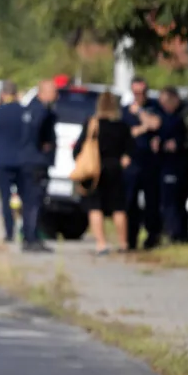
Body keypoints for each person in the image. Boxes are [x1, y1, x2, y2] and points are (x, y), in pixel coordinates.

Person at [73, 91, 132, 254]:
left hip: (95, 170)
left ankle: (101, 243)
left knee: (95, 207)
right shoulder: (122, 126)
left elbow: (78, 148)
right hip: (115, 170)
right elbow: (130, 149)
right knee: (118, 208)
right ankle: (123, 243)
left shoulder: (92, 123)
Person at [123, 76, 164, 249]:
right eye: (136, 92)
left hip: (151, 162)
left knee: (152, 202)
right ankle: (130, 238)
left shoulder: (154, 106)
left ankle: (152, 237)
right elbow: (128, 133)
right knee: (130, 202)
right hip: (133, 161)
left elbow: (156, 124)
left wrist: (140, 114)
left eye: (142, 92)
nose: (139, 95)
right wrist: (145, 126)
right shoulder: (125, 110)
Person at [18, 80, 58, 252]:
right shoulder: (41, 110)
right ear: (44, 92)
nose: (56, 95)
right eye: (54, 91)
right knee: (34, 201)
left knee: (30, 201)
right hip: (36, 162)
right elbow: (37, 130)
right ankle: (32, 237)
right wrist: (44, 144)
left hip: (27, 160)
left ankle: (30, 236)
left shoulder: (29, 108)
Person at [0, 81, 25, 242]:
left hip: (2, 160)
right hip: (21, 159)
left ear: (3, 94)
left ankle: (9, 232)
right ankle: (25, 228)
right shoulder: (23, 112)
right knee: (23, 196)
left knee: (5, 198)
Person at [158, 86, 188, 243]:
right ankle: (173, 232)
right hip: (166, 164)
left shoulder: (185, 114)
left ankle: (177, 234)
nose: (164, 106)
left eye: (166, 102)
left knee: (175, 202)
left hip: (178, 164)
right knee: (169, 201)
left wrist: (176, 144)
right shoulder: (165, 114)